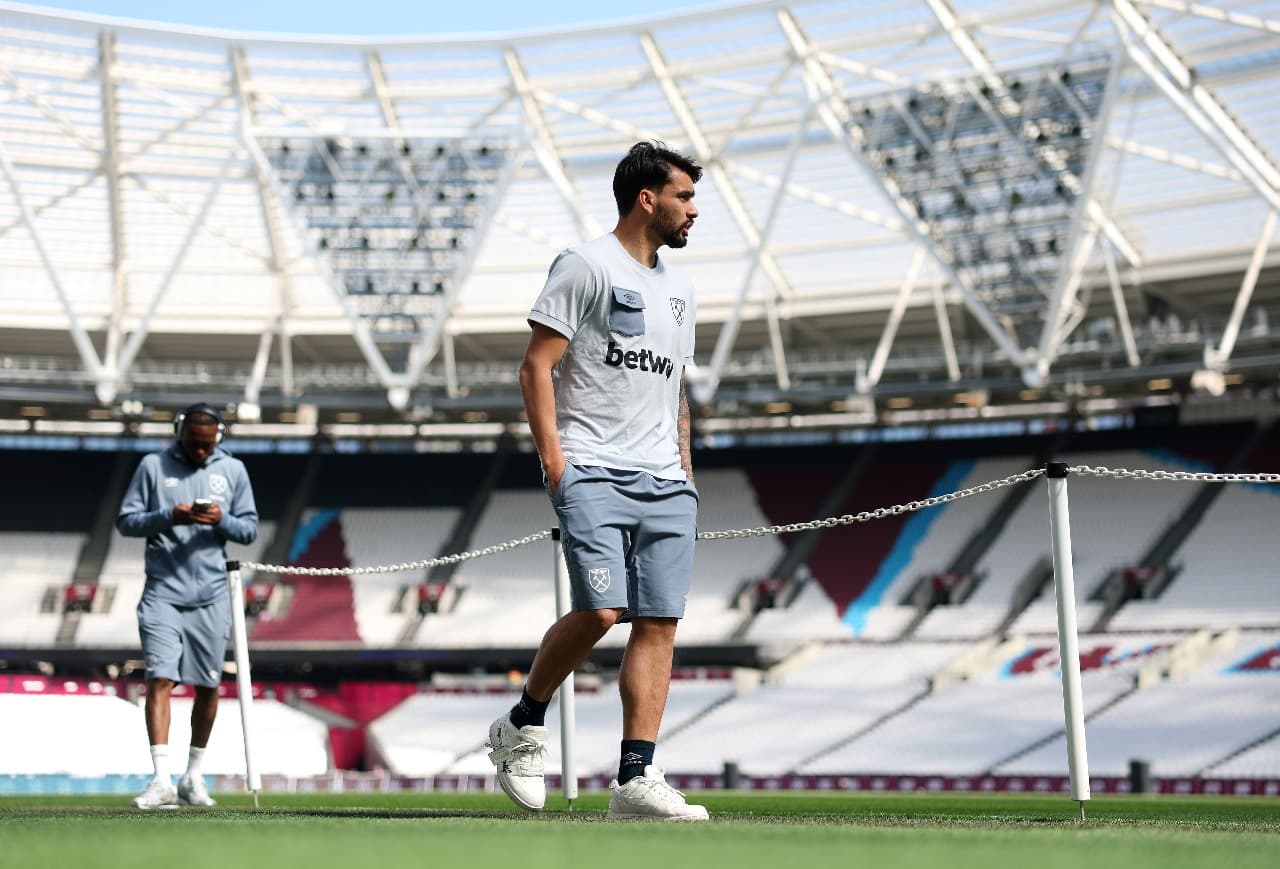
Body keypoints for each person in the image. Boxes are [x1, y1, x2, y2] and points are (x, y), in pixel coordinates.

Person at [487, 141, 707, 821]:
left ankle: (634, 779)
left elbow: (675, 391)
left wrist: (687, 474)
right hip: (592, 468)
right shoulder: (584, 265)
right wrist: (556, 463)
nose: (694, 211)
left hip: (666, 481)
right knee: (602, 611)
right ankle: (522, 723)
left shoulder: (681, 289)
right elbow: (536, 367)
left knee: (660, 623)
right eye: (685, 196)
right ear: (648, 199)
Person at [116, 403, 258, 810]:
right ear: (179, 432)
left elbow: (248, 529)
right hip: (162, 591)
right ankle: (161, 780)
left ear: (219, 438)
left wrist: (221, 520)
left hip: (211, 594)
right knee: (160, 677)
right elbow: (126, 521)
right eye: (193, 443)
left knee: (209, 685)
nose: (199, 451)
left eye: (207, 444)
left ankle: (192, 777)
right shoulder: (152, 467)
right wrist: (170, 515)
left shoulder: (233, 471)